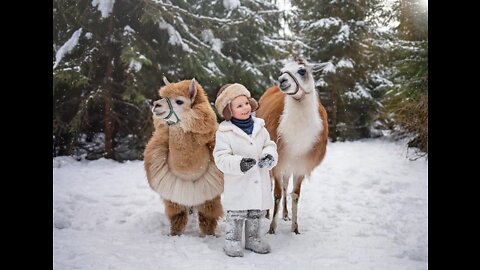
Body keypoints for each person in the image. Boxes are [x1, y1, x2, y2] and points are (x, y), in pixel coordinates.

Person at [213, 83, 278, 257]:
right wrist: (239, 164)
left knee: (255, 212)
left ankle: (253, 238)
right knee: (237, 213)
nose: (245, 108)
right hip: (238, 183)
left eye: (246, 103)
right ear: (228, 110)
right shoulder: (224, 132)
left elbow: (269, 145)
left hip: (258, 181)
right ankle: (232, 240)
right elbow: (221, 158)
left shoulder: (260, 127)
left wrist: (269, 155)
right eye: (239, 106)